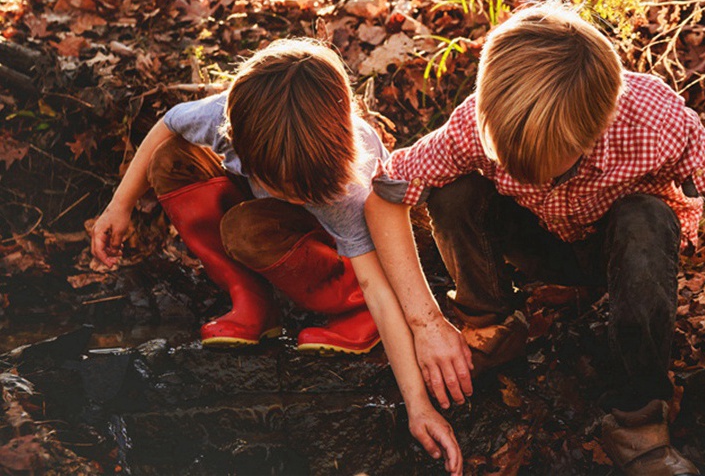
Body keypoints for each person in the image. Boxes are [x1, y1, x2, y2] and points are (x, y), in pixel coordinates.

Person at [365, 0, 705, 475]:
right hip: (537, 239)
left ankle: (637, 421)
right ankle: (492, 323)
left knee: (645, 218)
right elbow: (385, 196)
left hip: (625, 258)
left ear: (592, 132)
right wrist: (426, 324)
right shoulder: (477, 120)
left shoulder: (650, 118)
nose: (519, 171)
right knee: (452, 192)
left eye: (540, 163)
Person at [91, 38, 462, 475]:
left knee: (246, 229)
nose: (287, 193)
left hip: (343, 251)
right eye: (276, 181)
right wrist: (120, 204)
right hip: (278, 227)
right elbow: (168, 125)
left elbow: (379, 288)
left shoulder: (345, 187)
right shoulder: (233, 117)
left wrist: (418, 406)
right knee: (172, 160)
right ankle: (253, 303)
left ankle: (347, 310)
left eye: (293, 189)